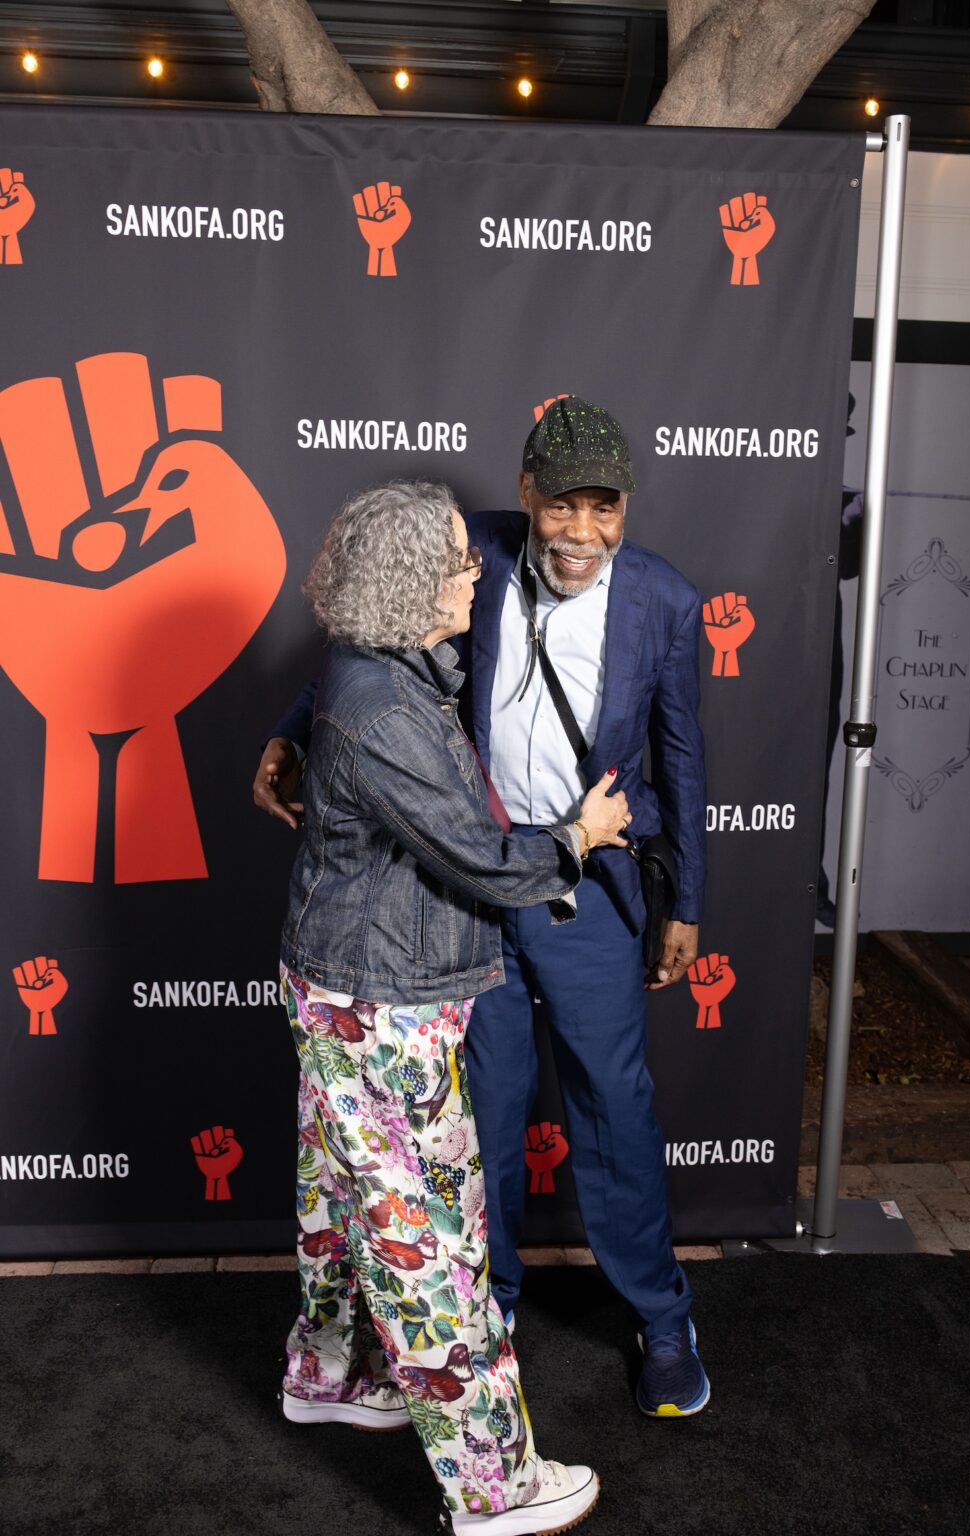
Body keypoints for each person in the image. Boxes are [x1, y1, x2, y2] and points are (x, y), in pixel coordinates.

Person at [259, 398, 710, 1419]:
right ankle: (484, 1312)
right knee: (481, 1116)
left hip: (587, 888)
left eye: (605, 509)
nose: (582, 533)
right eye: (563, 507)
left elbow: (680, 757)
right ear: (525, 496)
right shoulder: (479, 560)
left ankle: (661, 1316)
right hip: (467, 890)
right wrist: (293, 730)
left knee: (616, 1106)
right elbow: (361, 642)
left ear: (626, 507)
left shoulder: (664, 603)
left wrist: (686, 895)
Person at [278, 478, 631, 1534]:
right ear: (406, 586)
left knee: (341, 1204)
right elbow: (480, 856)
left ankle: (329, 1372)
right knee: (425, 1240)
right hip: (377, 1002)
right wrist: (581, 836)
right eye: (459, 564)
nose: (478, 571)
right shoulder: (380, 704)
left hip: (355, 983)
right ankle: (491, 1486)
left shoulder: (384, 671)